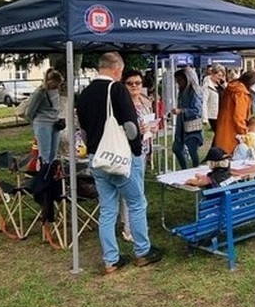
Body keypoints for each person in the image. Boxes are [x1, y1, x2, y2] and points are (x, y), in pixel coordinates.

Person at [76, 52, 162, 274]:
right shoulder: (116, 89)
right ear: (117, 69)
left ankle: (110, 260)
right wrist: (135, 153)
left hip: (97, 157)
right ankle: (143, 251)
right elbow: (131, 127)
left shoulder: (84, 94)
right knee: (136, 203)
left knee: (107, 208)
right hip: (121, 157)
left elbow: (83, 129)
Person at [120, 68, 157, 242]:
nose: (134, 86)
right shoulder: (121, 103)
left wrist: (153, 127)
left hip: (144, 149)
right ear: (123, 84)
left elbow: (149, 122)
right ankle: (129, 229)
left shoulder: (144, 101)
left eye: (138, 83)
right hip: (128, 150)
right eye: (130, 83)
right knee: (133, 191)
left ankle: (130, 222)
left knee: (137, 188)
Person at [25, 68, 65, 165]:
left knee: (54, 153)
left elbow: (58, 106)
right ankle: (44, 174)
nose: (57, 86)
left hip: (55, 123)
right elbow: (29, 111)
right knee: (45, 153)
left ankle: (51, 173)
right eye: (56, 84)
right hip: (43, 124)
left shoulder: (56, 91)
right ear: (50, 82)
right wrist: (35, 121)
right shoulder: (40, 93)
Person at [214, 70, 255, 154]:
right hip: (233, 133)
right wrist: (245, 133)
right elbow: (239, 116)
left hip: (224, 128)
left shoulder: (233, 87)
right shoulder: (241, 93)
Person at [172, 67, 204, 169]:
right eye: (177, 81)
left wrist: (182, 111)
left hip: (192, 126)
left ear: (187, 79)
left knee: (192, 151)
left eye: (180, 80)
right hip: (181, 125)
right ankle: (184, 169)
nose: (178, 83)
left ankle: (195, 170)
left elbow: (197, 111)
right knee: (176, 148)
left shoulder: (194, 92)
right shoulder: (181, 92)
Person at [201, 63, 226, 133]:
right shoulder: (207, 86)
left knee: (220, 135)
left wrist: (224, 83)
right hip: (213, 115)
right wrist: (204, 118)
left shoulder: (221, 85)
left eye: (222, 76)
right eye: (219, 75)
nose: (220, 77)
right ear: (213, 74)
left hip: (222, 113)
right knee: (219, 133)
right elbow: (204, 102)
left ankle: (216, 144)